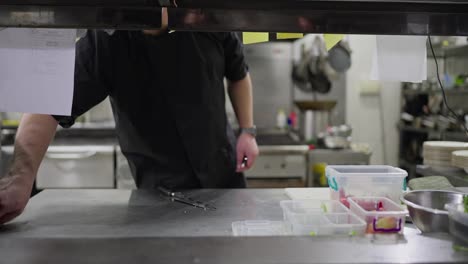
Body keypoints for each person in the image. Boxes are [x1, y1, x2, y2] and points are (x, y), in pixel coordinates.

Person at [0, 9, 259, 224]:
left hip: (223, 176)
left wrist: (248, 131)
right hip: (158, 192)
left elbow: (238, 74)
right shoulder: (107, 42)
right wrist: (20, 178)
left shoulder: (207, 20)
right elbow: (47, 104)